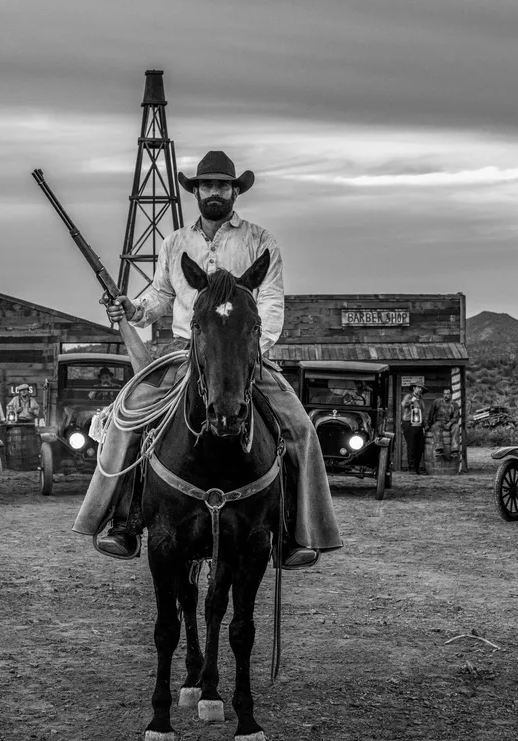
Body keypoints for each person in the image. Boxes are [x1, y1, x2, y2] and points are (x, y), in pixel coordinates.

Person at [72, 150, 341, 570]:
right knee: (127, 417)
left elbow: (269, 304)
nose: (214, 192)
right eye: (206, 185)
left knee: (302, 430)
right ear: (196, 192)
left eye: (223, 185)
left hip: (245, 356)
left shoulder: (260, 241)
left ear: (236, 191)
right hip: (185, 354)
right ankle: (124, 522)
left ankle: (293, 533)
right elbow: (161, 297)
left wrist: (250, 352)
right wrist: (133, 309)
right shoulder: (175, 242)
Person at [401, 382, 428, 474]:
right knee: (411, 445)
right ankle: (411, 468)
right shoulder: (409, 396)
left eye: (421, 388)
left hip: (419, 424)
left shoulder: (421, 400)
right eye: (418, 388)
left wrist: (425, 424)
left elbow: (423, 413)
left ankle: (416, 467)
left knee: (420, 446)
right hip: (409, 423)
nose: (420, 390)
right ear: (414, 388)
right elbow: (403, 404)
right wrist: (412, 400)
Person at [428, 387, 461, 460]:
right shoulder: (437, 402)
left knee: (456, 427)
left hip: (450, 422)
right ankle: (439, 448)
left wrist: (449, 423)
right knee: (435, 426)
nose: (446, 395)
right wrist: (429, 424)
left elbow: (456, 417)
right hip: (439, 421)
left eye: (448, 394)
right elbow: (431, 413)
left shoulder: (454, 404)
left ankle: (454, 450)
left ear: (451, 395)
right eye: (444, 394)